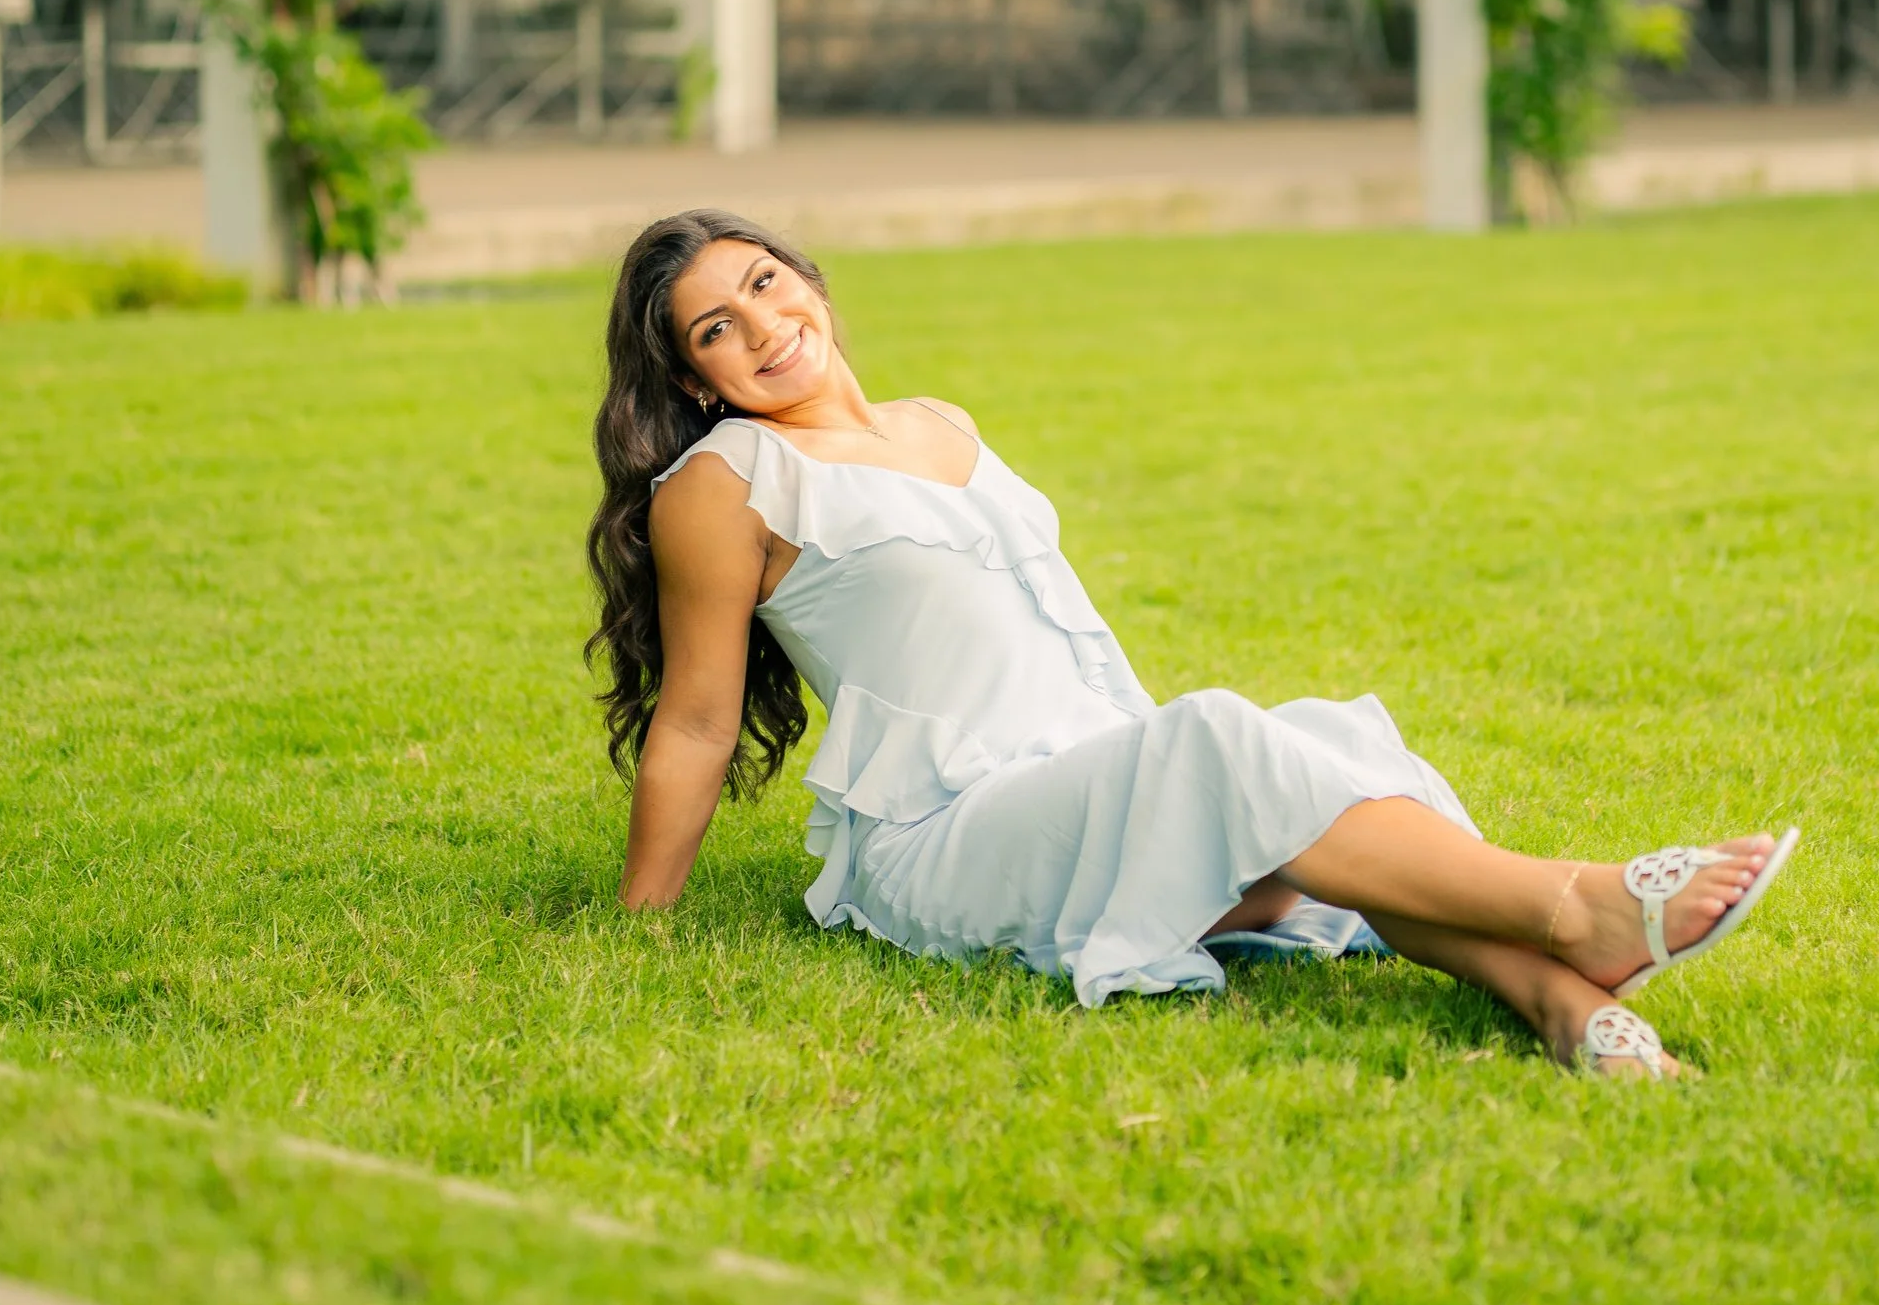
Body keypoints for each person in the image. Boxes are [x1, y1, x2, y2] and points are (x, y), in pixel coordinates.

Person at [588, 211, 1794, 1085]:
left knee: (1313, 747)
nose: (763, 324)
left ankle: (1558, 1006)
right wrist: (643, 929)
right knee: (1227, 745)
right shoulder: (725, 481)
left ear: (806, 274)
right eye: (716, 327)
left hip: (1092, 769)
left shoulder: (938, 422)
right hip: (950, 837)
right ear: (696, 381)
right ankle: (1578, 905)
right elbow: (697, 717)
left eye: (763, 282)